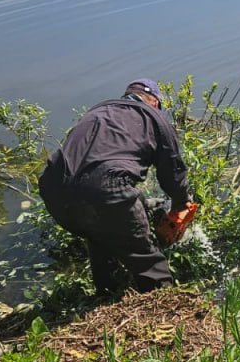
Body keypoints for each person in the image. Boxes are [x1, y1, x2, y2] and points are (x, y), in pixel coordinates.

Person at [38, 78, 192, 298]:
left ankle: (107, 296)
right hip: (105, 189)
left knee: (99, 234)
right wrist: (181, 204)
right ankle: (165, 310)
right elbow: (173, 172)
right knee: (146, 260)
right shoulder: (155, 118)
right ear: (155, 102)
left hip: (53, 190)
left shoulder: (97, 112)